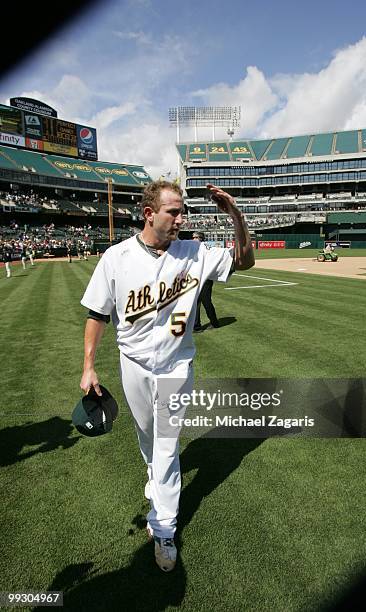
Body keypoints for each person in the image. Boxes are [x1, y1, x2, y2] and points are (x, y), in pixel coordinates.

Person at [79, 180, 254, 572]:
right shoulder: (117, 257)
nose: (181, 218)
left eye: (182, 211)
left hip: (176, 366)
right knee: (146, 436)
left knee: (167, 444)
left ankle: (162, 529)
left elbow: (244, 262)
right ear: (149, 214)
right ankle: (155, 478)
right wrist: (89, 365)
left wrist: (236, 215)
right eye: (174, 212)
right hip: (134, 364)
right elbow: (97, 314)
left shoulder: (195, 252)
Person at [192, 232, 220, 332]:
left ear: (201, 239)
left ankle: (214, 322)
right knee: (196, 302)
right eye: (193, 237)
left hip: (206, 280)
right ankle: (196, 326)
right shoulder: (193, 249)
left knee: (206, 302)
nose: (193, 239)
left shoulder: (207, 249)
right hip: (197, 279)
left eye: (196, 237)